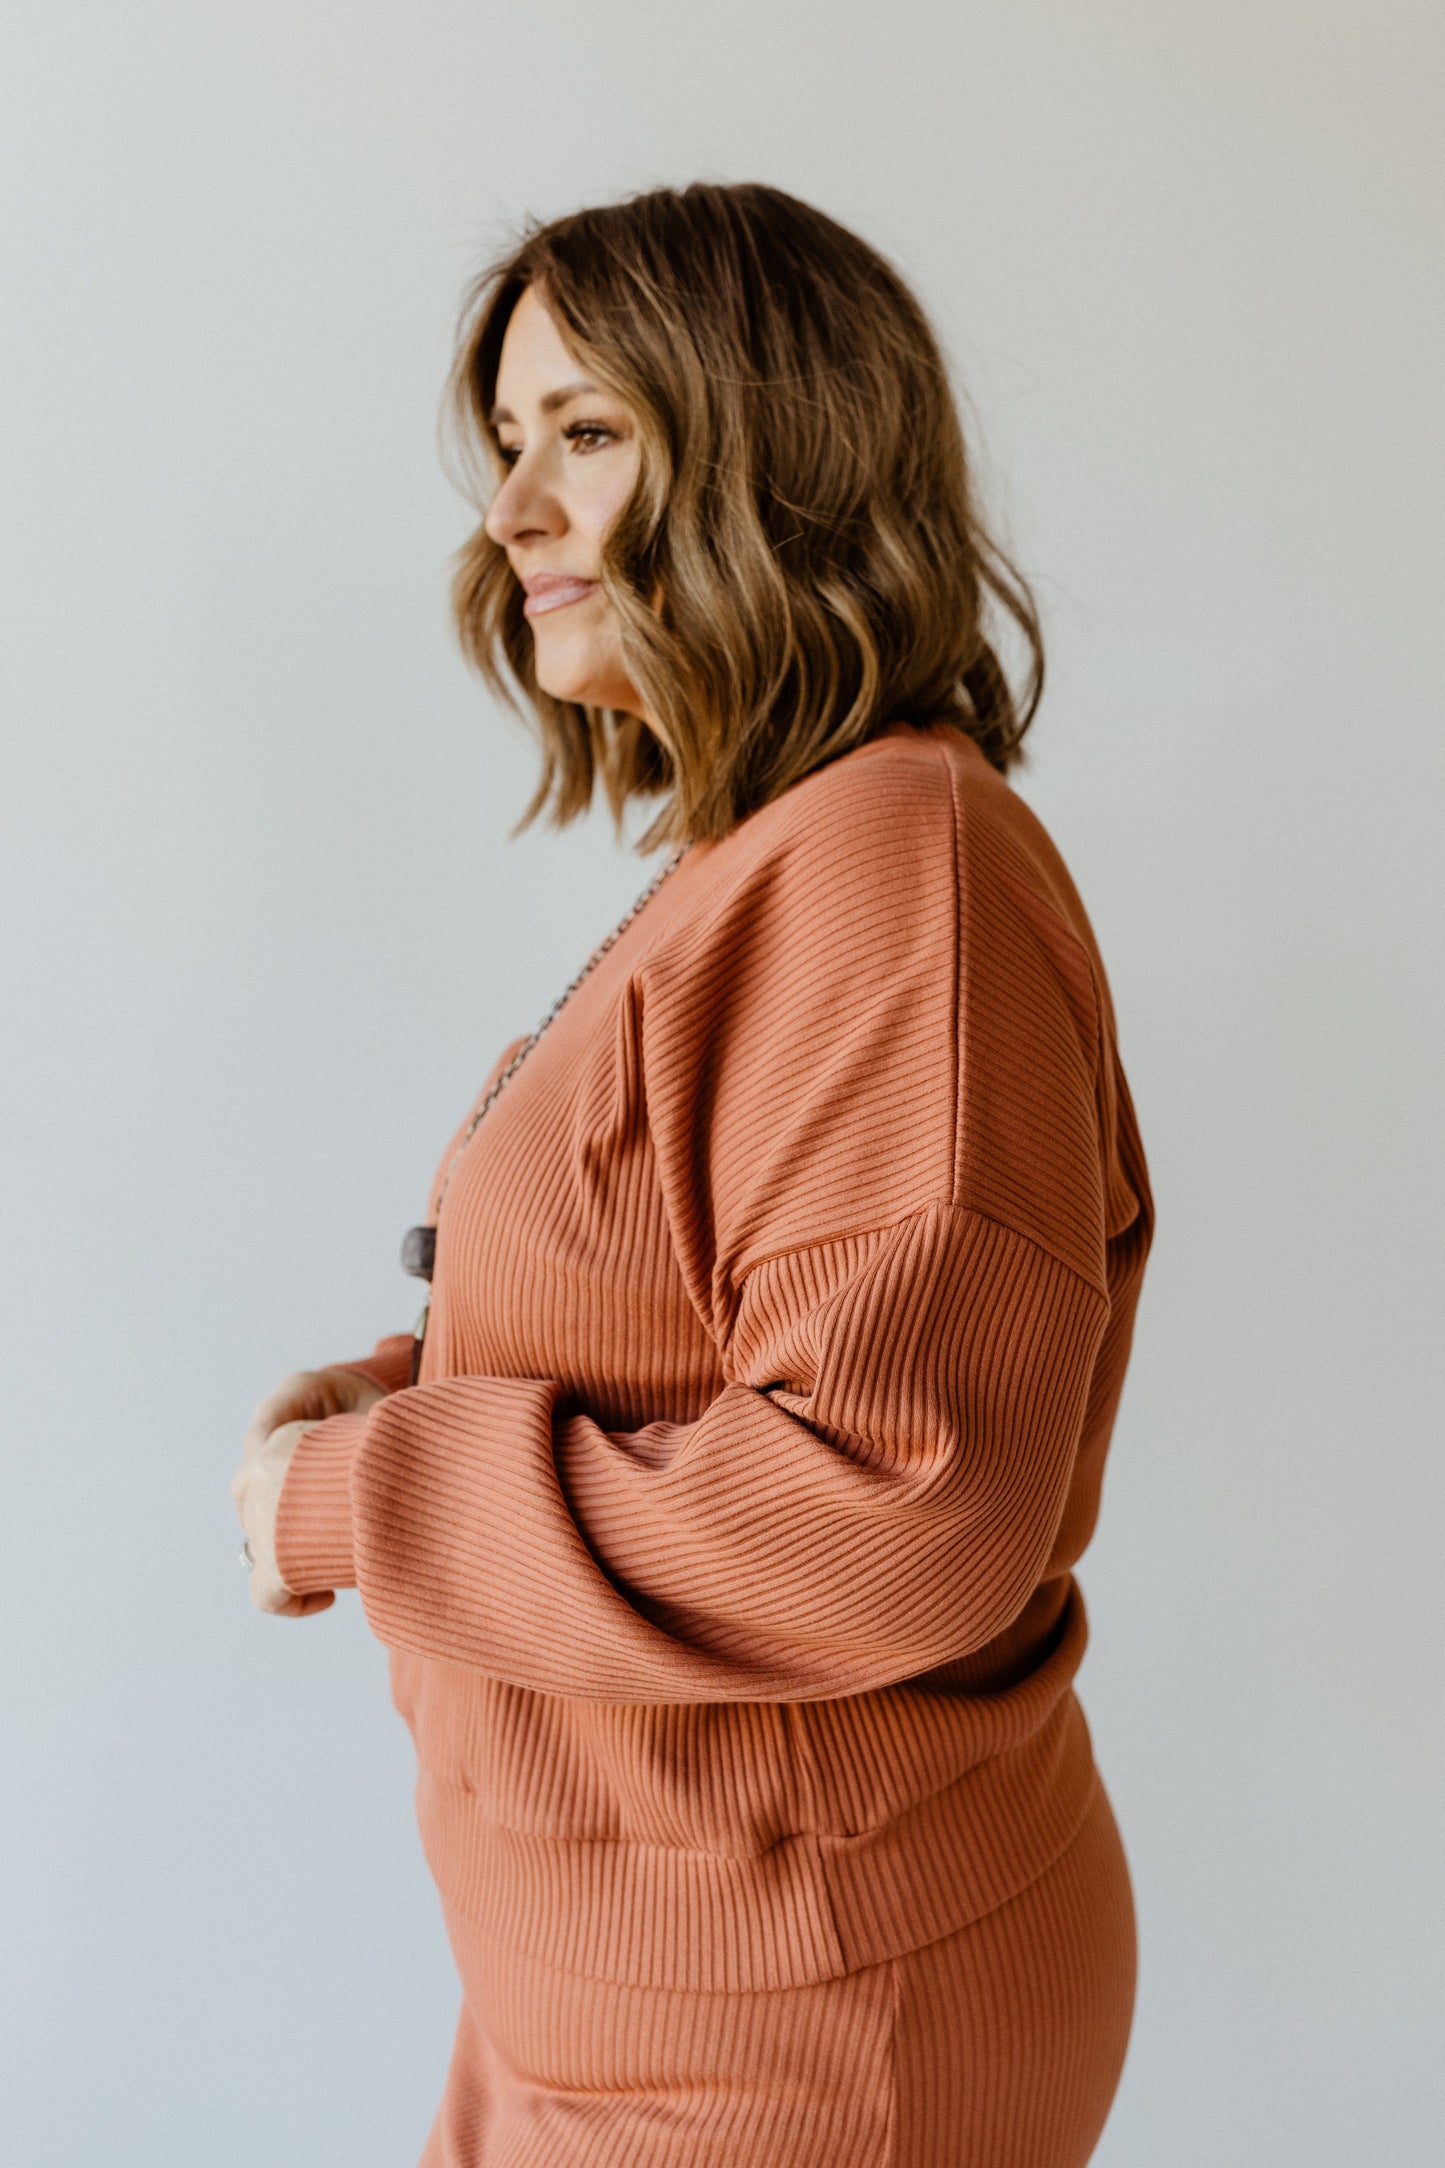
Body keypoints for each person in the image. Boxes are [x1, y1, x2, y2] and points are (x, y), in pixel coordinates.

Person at [231, 181, 1153, 2168]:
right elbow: (694, 1336)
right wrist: (413, 1389)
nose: (512, 513)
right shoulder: (777, 860)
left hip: (793, 2023)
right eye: (505, 444)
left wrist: (355, 1498)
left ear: (775, 449)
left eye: (585, 431)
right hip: (628, 1969)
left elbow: (885, 1498)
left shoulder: (904, 867)